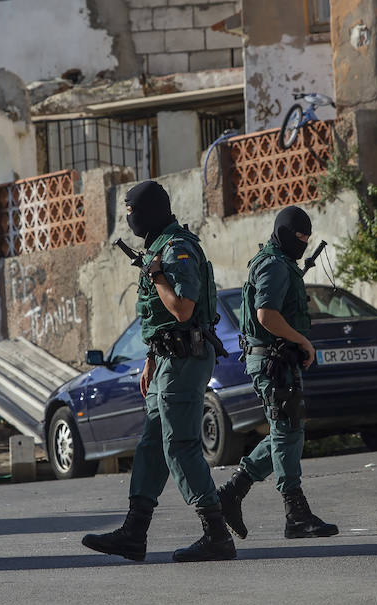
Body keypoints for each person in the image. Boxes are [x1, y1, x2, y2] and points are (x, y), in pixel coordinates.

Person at [81, 180, 235, 563]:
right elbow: (160, 319)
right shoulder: (159, 248)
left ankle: (216, 532)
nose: (129, 219)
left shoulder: (176, 249)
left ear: (148, 212)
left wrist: (158, 275)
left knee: (179, 445)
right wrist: (151, 358)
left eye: (132, 211)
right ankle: (134, 533)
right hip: (167, 359)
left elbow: (183, 309)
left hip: (185, 360)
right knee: (151, 445)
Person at [215, 206, 338, 540]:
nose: (303, 243)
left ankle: (232, 492)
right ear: (285, 233)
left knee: (288, 432)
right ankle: (295, 513)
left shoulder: (280, 262)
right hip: (272, 362)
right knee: (286, 433)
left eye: (307, 239)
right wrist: (303, 342)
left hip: (279, 360)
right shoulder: (273, 265)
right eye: (299, 237)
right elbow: (266, 314)